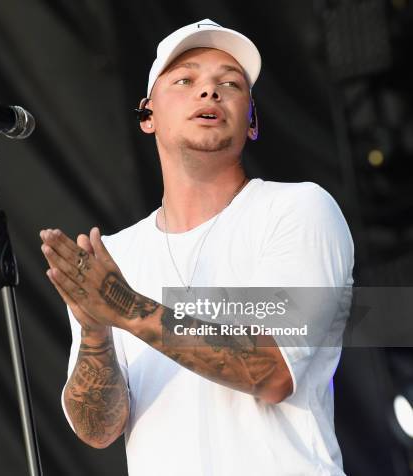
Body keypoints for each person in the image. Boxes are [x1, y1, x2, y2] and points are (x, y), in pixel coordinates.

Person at [40, 18, 354, 476]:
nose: (209, 92)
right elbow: (99, 429)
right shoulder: (116, 258)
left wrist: (125, 308)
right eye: (185, 80)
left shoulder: (298, 209)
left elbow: (271, 372)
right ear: (147, 116)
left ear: (252, 123)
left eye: (230, 84)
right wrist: (94, 331)